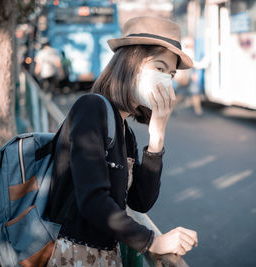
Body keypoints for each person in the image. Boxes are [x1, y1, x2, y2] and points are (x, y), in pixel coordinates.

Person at [46, 16, 198, 266]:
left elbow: (140, 201)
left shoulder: (124, 130)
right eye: (159, 69)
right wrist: (153, 242)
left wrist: (157, 136)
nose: (166, 81)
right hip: (73, 256)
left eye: (170, 74)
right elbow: (92, 201)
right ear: (131, 63)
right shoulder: (91, 108)